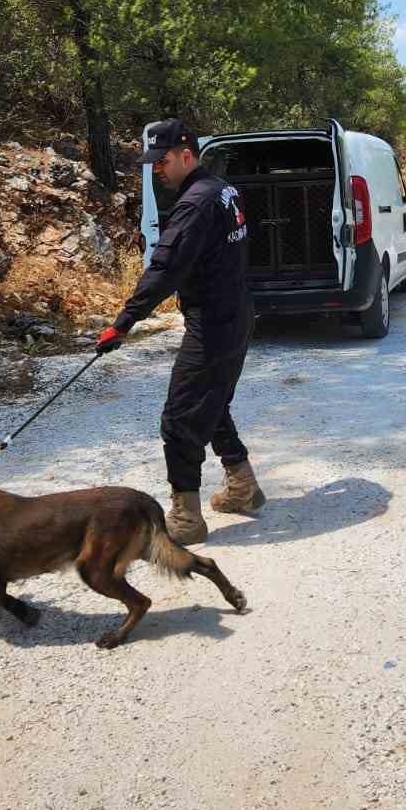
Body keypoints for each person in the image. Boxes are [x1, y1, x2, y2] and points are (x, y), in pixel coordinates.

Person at [95, 118, 263, 545]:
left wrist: (123, 323)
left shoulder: (195, 203)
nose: (157, 170)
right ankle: (242, 485)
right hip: (237, 314)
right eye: (152, 162)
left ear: (186, 155)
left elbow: (165, 271)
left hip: (214, 324)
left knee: (179, 419)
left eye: (163, 161)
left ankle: (186, 519)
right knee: (211, 403)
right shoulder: (225, 190)